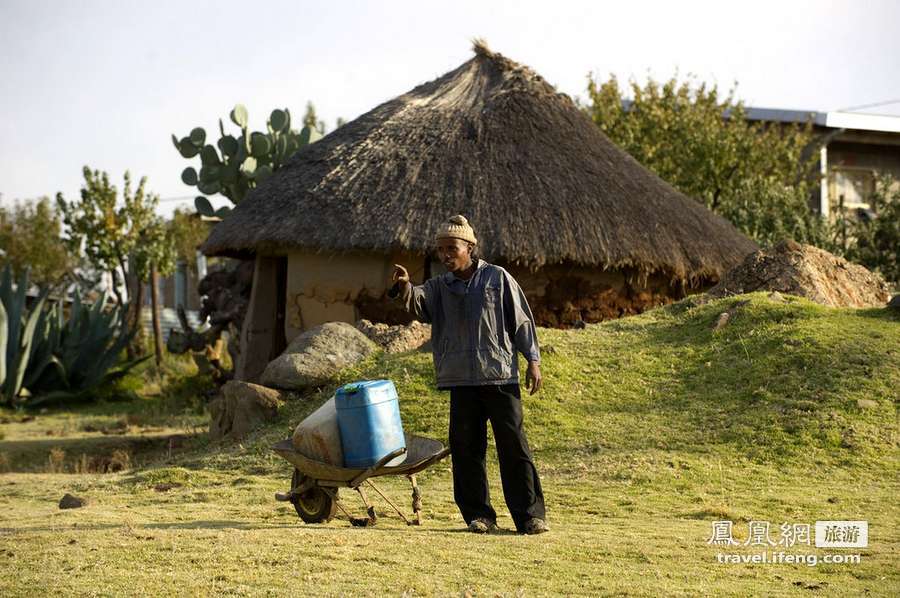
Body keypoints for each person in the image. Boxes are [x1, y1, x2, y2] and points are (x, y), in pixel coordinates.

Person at [389, 214, 548, 535]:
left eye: (452, 248)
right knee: (466, 450)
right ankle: (479, 515)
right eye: (441, 249)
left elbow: (521, 320)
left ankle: (530, 516)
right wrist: (404, 286)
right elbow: (418, 303)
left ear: (470, 248)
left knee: (514, 447)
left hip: (500, 377)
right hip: (460, 380)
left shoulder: (498, 278)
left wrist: (532, 358)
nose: (445, 255)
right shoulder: (438, 287)